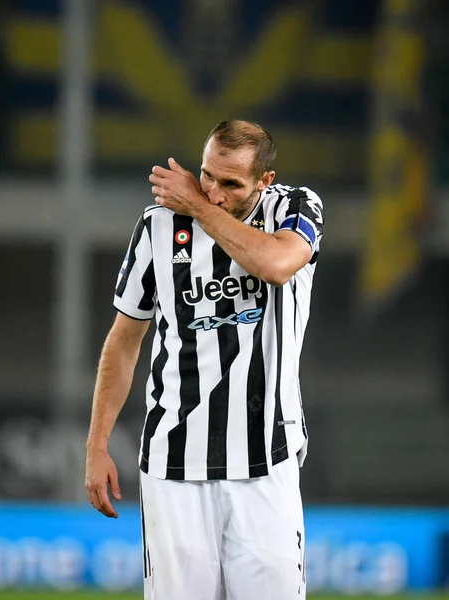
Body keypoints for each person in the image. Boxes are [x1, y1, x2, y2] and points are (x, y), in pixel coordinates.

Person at [85, 119, 324, 600]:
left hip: (266, 460)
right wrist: (96, 444)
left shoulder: (295, 208)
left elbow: (277, 266)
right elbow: (125, 338)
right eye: (206, 175)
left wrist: (196, 206)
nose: (213, 192)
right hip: (174, 464)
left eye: (230, 183)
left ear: (265, 182)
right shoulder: (156, 227)